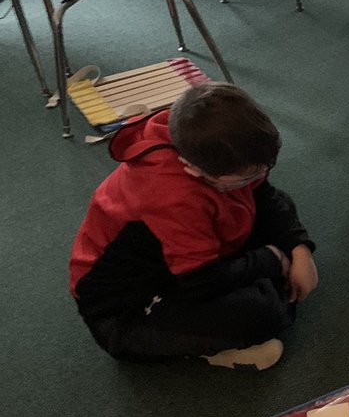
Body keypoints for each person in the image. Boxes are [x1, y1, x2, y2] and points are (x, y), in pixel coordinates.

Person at [69, 84, 318, 371]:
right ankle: (209, 348)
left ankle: (257, 288)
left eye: (260, 170)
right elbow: (202, 282)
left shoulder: (207, 144)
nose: (256, 179)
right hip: (126, 312)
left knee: (277, 211)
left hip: (184, 262)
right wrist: (272, 259)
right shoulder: (171, 197)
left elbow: (265, 195)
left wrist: (299, 250)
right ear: (192, 167)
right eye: (241, 178)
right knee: (261, 313)